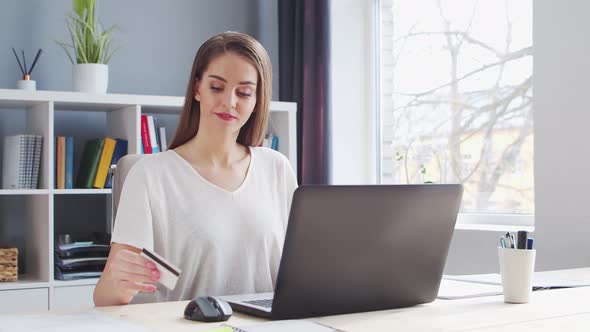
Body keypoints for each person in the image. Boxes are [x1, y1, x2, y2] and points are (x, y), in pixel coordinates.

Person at [93, 32, 298, 306]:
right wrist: (117, 281)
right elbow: (107, 297)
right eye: (217, 87)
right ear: (197, 88)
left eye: (244, 92)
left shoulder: (276, 168)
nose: (230, 102)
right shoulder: (150, 176)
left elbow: (298, 273)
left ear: (257, 100)